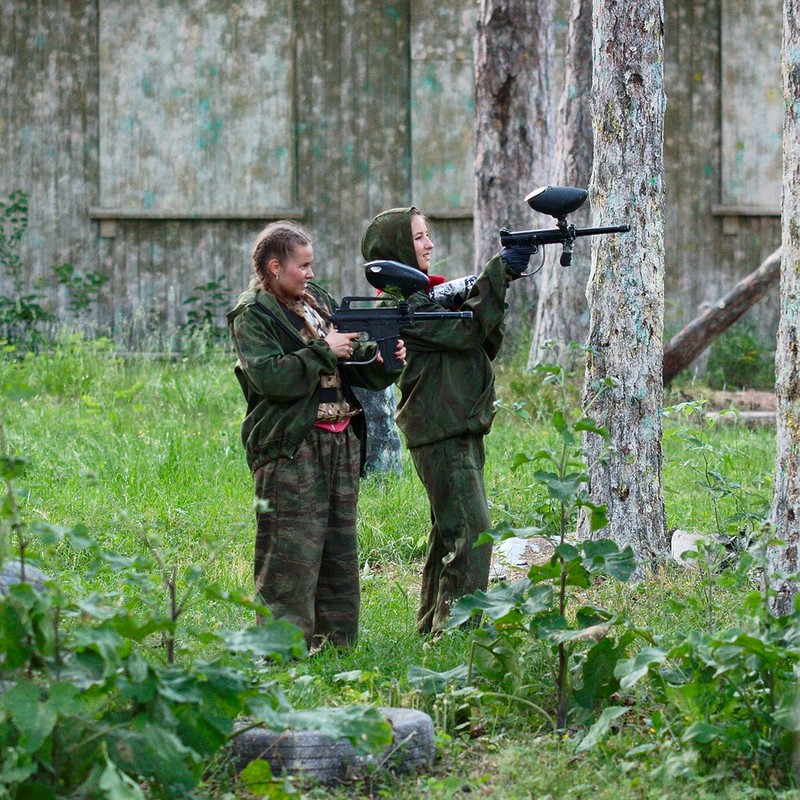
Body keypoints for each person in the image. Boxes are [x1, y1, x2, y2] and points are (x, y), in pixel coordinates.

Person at [227, 220, 405, 650]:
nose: (310, 273)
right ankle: (280, 650)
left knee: (338, 548)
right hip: (292, 445)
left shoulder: (316, 301)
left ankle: (336, 645)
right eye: (302, 266)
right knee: (289, 552)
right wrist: (326, 350)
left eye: (311, 265)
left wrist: (384, 356)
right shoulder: (253, 315)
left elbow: (355, 358)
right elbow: (271, 377)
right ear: (274, 267)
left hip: (340, 439)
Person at [360, 207, 534, 634]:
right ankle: (457, 633)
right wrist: (498, 274)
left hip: (452, 425)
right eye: (418, 237)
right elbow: (464, 332)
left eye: (427, 235)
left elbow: (471, 332)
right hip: (441, 429)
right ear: (398, 247)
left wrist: (495, 279)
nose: (429, 244)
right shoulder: (399, 307)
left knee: (448, 535)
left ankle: (433, 627)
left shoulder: (418, 299)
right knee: (473, 536)